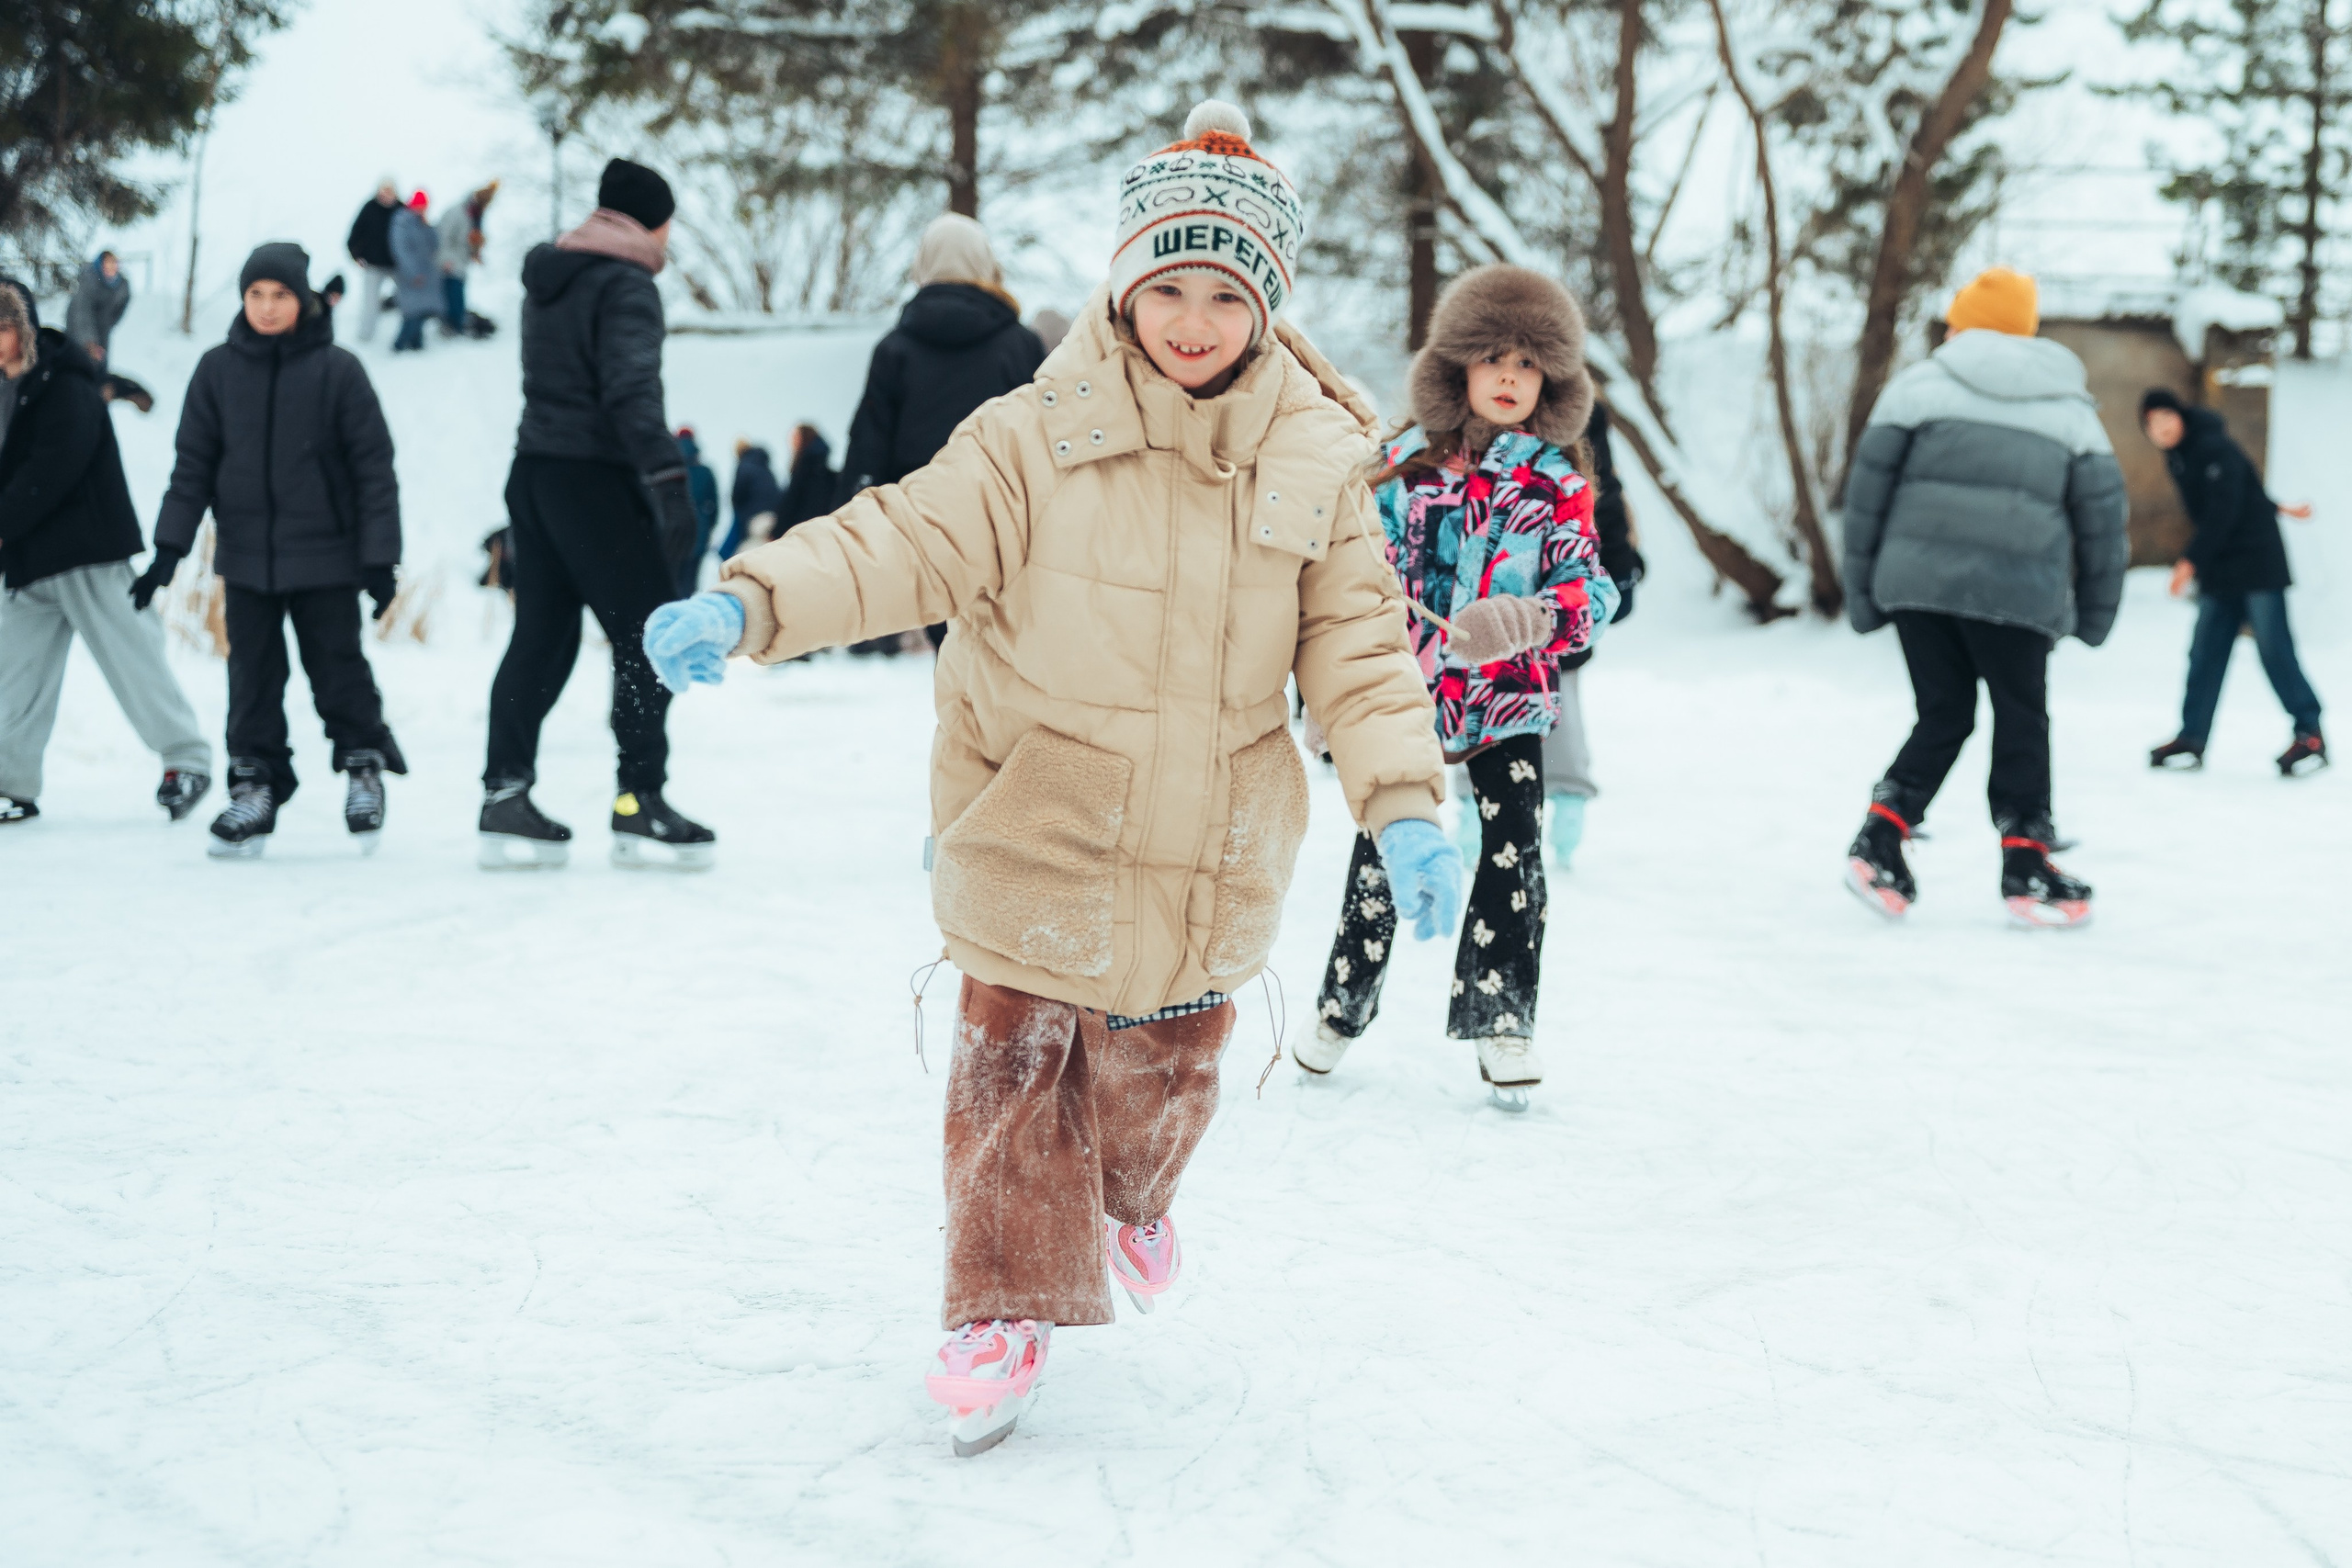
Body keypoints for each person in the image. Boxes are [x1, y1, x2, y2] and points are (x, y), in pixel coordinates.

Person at [638, 102, 1454, 1457]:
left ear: (1264, 304)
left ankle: (1134, 1202)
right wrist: (755, 600)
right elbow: (903, 535)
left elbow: (1361, 651)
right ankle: (1000, 1302)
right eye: (1167, 285)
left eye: (1224, 290)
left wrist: (1409, 805)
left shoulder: (1320, 460)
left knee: (1157, 1084)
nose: (1192, 318)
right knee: (1011, 1066)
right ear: (1124, 287)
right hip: (1040, 811)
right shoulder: (1033, 432)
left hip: (1209, 849)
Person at [1299, 264, 1619, 1109]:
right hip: (1408, 698)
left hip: (1508, 703)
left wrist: (1532, 619)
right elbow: (1351, 572)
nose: (1509, 377)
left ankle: (1503, 1016)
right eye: (1492, 358)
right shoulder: (1406, 466)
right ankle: (1341, 1005)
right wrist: (1329, 700)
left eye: (1527, 363)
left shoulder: (1556, 483)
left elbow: (1595, 593)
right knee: (1385, 850)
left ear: (1550, 380)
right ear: (1458, 369)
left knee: (1514, 853)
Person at [1840, 267, 2129, 927]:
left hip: (1919, 586)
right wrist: (2097, 611)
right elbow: (2104, 521)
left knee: (1944, 711)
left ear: (1960, 323)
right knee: (2022, 715)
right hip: (2020, 594)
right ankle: (2026, 858)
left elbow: (1866, 497)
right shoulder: (2068, 406)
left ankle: (1881, 833)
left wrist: (1865, 592)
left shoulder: (1917, 387)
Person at [480, 157, 709, 872]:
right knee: (650, 635)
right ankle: (639, 800)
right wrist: (669, 478)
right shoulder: (626, 282)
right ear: (650, 221)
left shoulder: (551, 279)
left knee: (543, 634)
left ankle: (504, 793)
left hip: (535, 474)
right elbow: (630, 389)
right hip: (596, 481)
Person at [146, 243, 407, 858]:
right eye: (256, 295)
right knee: (252, 678)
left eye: (280, 295)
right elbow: (193, 468)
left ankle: (363, 767)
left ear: (303, 299)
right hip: (247, 559)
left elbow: (375, 469)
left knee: (337, 668)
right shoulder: (217, 370)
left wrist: (379, 558)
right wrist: (168, 548)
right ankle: (255, 784)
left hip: (326, 557)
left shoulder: (338, 370)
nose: (266, 307)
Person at [0, 276, 211, 827]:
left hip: (85, 551)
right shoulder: (3, 386)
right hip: (27, 561)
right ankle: (9, 784)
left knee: (132, 659)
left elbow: (52, 470)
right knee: (13, 676)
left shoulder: (66, 384)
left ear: (20, 328)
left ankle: (186, 761)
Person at [841, 212, 1046, 652]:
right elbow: (1043, 439)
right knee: (995, 655)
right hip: (1002, 524)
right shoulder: (1021, 345)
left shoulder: (894, 349)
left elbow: (868, 445)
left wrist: (855, 520)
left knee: (950, 654)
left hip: (923, 526)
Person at [2139, 388, 2326, 776]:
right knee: (2205, 652)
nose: (2162, 428)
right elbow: (2241, 490)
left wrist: (2189, 561)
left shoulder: (2210, 446)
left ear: (2181, 416)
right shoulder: (2182, 454)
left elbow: (2225, 508)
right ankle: (2192, 736)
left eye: (2166, 417)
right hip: (2222, 569)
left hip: (2256, 564)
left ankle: (2310, 732)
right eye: (2153, 424)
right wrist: (2277, 505)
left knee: (2274, 649)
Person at [1535, 399, 1640, 871]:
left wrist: (1619, 570)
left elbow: (1605, 498)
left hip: (1563, 598)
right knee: (1482, 710)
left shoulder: (1578, 416)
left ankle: (1567, 823)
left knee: (1560, 703)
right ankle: (1477, 820)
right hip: (1497, 609)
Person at [345, 179, 401, 343]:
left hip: (396, 265)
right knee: (369, 301)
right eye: (384, 190)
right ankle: (365, 335)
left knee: (409, 296)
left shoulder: (401, 209)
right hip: (373, 264)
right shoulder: (369, 208)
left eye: (390, 191)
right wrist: (355, 256)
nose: (387, 194)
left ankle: (408, 331)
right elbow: (355, 234)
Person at [438, 181, 497, 335]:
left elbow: (472, 238)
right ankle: (450, 326)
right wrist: (446, 260)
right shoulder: (457, 212)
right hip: (450, 261)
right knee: (451, 295)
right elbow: (443, 237)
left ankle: (457, 325)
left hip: (462, 261)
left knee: (458, 294)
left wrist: (475, 253)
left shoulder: (476, 215)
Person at [389, 192, 439, 353]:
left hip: (425, 273)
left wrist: (428, 225)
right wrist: (413, 272)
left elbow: (434, 244)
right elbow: (400, 250)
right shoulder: (401, 221)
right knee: (411, 310)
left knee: (422, 308)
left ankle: (417, 342)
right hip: (409, 274)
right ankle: (400, 343)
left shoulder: (421, 222)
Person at [672, 426, 718, 595]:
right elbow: (714, 505)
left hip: (673, 532)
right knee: (690, 584)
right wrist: (708, 526)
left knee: (673, 582)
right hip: (699, 531)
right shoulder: (705, 471)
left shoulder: (669, 469)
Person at [65, 253, 131, 368]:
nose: (111, 267)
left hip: (103, 336)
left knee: (100, 371)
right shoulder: (88, 283)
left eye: (113, 263)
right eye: (107, 263)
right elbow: (81, 314)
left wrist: (107, 324)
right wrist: (89, 342)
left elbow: (120, 309)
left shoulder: (121, 287)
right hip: (81, 339)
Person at [719, 437, 782, 560]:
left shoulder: (744, 466)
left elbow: (738, 495)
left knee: (740, 556)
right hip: (773, 516)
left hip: (754, 519)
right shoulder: (765, 468)